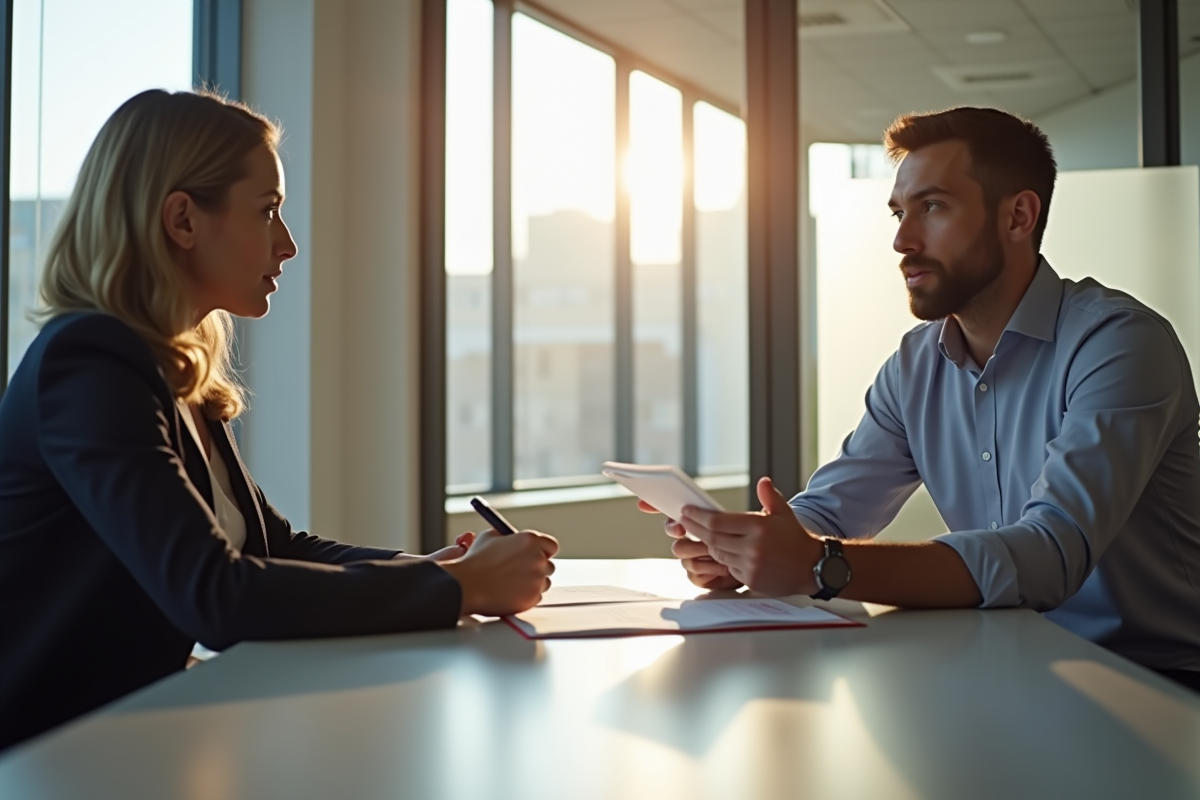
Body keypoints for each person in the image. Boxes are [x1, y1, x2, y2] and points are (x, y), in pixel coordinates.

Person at [0, 89, 558, 752]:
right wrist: (455, 586)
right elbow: (216, 596)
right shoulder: (87, 363)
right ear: (182, 220)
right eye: (267, 212)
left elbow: (273, 547)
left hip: (135, 739)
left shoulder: (174, 374)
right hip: (48, 758)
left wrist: (431, 566)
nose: (287, 245)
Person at [653, 107, 1200, 690]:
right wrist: (743, 547)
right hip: (1013, 664)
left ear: (1018, 215)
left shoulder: (1118, 344)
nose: (901, 240)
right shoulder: (915, 367)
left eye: (932, 207)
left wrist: (817, 565)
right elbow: (830, 513)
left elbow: (1048, 557)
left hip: (1157, 681)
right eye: (898, 212)